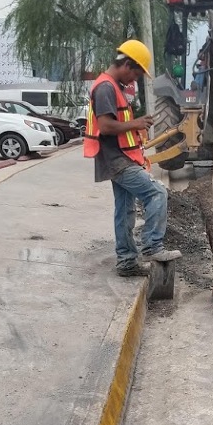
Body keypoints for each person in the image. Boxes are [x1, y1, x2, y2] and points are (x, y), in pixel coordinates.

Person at [84, 39, 181, 277]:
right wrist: (135, 123)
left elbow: (115, 123)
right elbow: (106, 126)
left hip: (118, 158)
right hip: (117, 160)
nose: (135, 80)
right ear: (127, 64)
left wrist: (136, 125)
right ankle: (152, 247)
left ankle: (126, 262)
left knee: (125, 209)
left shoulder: (112, 86)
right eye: (136, 74)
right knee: (156, 193)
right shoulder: (106, 87)